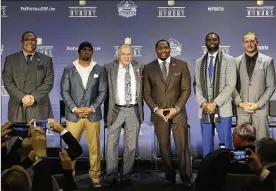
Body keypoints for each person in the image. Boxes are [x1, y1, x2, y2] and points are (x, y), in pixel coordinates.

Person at [143, 40, 192, 187]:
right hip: (159, 114)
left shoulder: (182, 65)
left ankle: (186, 178)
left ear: (170, 49)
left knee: (182, 146)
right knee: (163, 147)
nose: (163, 50)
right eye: (160, 48)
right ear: (156, 50)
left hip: (178, 112)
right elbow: (146, 93)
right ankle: (169, 176)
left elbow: (186, 90)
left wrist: (176, 108)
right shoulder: (148, 68)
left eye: (166, 47)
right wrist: (156, 109)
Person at [60, 41, 107, 187]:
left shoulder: (99, 69)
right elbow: (64, 91)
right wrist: (75, 108)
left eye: (89, 50)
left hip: (92, 115)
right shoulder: (69, 68)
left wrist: (92, 108)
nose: (87, 52)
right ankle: (70, 175)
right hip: (74, 116)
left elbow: (102, 91)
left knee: (95, 149)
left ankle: (95, 176)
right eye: (84, 49)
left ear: (92, 52)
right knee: (71, 149)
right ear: (78, 52)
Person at [104, 44, 144, 186]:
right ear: (118, 54)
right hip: (116, 110)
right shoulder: (108, 67)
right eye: (123, 54)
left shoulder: (140, 67)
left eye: (129, 54)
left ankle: (126, 175)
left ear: (132, 55)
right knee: (111, 145)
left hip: (134, 110)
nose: (127, 57)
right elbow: (103, 90)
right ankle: (111, 175)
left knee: (131, 146)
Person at [194, 32, 237, 157]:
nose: (212, 41)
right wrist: (203, 103)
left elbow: (230, 85)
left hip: (223, 109)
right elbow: (197, 86)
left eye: (215, 39)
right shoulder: (199, 62)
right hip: (205, 110)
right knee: (207, 146)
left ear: (219, 42)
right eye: (209, 39)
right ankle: (208, 173)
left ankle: (227, 172)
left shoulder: (229, 60)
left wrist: (214, 103)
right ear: (205, 43)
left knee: (226, 145)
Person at [2, 31, 54, 122]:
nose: (30, 42)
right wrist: (22, 97)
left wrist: (33, 97)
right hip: (17, 108)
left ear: (36, 42)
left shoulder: (46, 60)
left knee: (38, 136)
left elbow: (48, 83)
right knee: (17, 136)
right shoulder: (11, 59)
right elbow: (7, 81)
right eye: (26, 39)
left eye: (32, 40)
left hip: (39, 108)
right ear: (22, 42)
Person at [233, 32, 276, 140]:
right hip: (243, 111)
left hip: (260, 111)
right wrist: (240, 103)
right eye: (246, 41)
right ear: (243, 44)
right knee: (243, 146)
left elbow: (271, 86)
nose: (250, 44)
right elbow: (231, 86)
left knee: (263, 146)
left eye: (252, 41)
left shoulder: (268, 61)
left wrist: (258, 104)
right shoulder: (235, 61)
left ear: (257, 42)